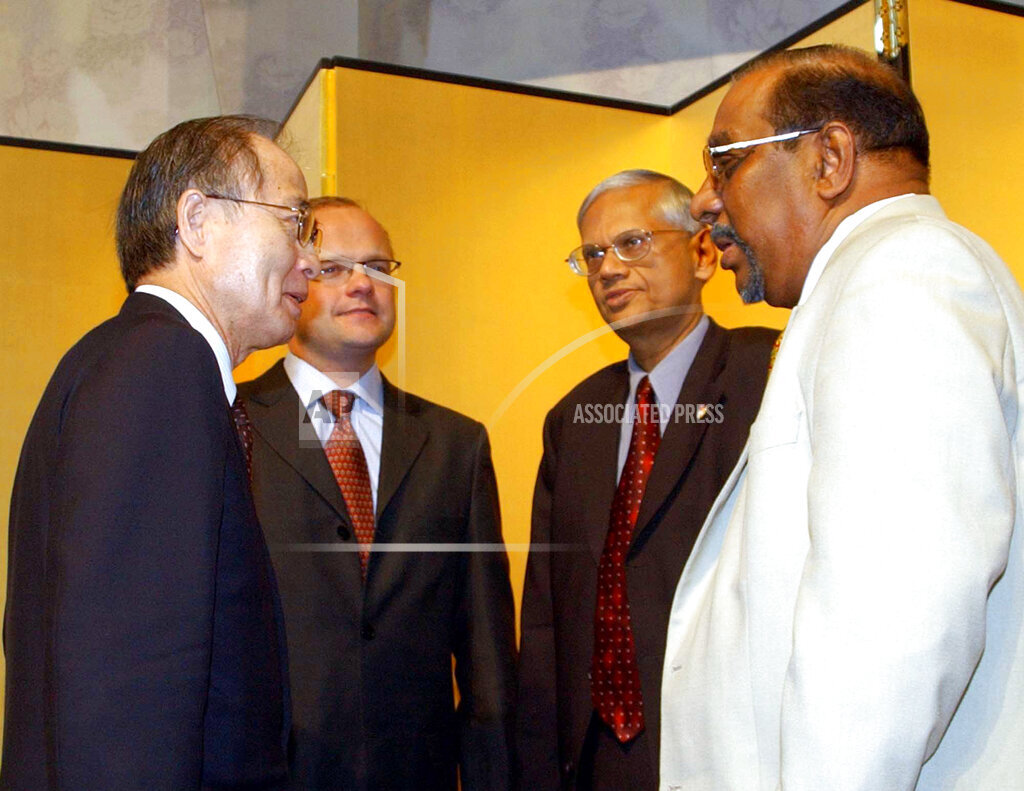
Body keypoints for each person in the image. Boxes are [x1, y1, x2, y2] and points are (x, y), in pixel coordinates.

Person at [661, 44, 1024, 791]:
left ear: (829, 159)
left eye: (725, 161)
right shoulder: (871, 278)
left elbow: (891, 624)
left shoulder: (903, 273)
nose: (702, 201)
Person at [2, 115, 319, 789]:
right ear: (197, 221)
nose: (311, 259)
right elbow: (130, 684)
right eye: (294, 220)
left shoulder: (126, 358)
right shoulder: (163, 366)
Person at [238, 196, 517, 791]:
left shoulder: (455, 445)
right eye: (334, 268)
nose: (363, 283)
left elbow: (486, 654)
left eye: (379, 267)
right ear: (292, 279)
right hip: (271, 772)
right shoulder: (232, 424)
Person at [515, 170, 777, 790]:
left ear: (703, 253)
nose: (608, 269)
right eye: (593, 255)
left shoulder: (767, 374)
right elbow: (547, 617)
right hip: (597, 754)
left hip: (728, 748)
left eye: (632, 243)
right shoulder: (573, 419)